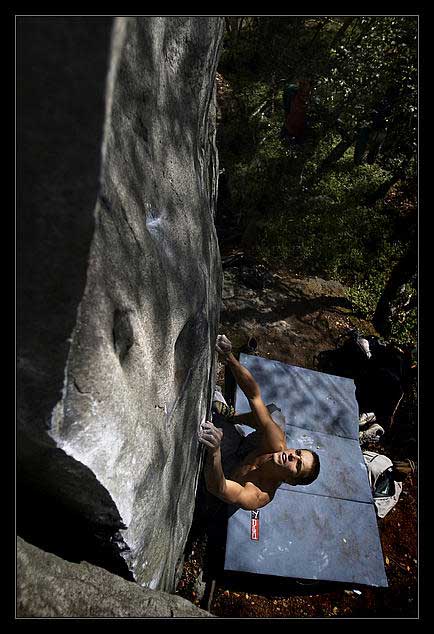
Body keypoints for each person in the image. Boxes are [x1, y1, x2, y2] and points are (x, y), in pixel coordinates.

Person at [198, 335, 320, 511]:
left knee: (212, 439)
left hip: (222, 477)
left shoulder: (258, 495)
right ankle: (233, 417)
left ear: (291, 481)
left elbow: (219, 487)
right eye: (298, 452)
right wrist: (230, 358)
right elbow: (255, 397)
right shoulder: (276, 444)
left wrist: (214, 451)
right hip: (242, 450)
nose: (293, 455)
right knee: (273, 415)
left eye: (298, 464)